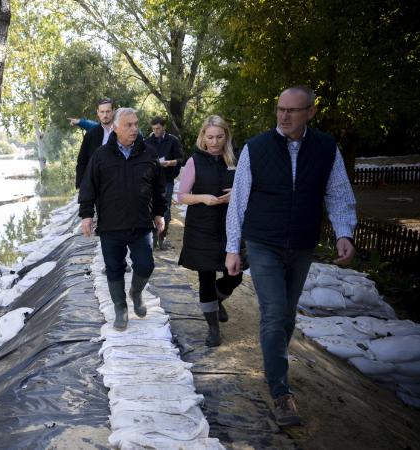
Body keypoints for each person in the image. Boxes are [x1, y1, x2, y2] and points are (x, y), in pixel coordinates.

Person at [225, 86, 357, 427]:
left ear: (310, 112)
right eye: (280, 109)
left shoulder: (326, 148)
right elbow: (238, 202)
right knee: (273, 313)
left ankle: (274, 360)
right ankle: (281, 393)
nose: (284, 116)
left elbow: (338, 193)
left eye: (292, 110)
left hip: (301, 244)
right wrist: (232, 249)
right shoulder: (256, 148)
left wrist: (344, 233)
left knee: (286, 315)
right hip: (263, 243)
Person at [79, 108, 166, 330]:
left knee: (146, 265)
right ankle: (121, 308)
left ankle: (136, 293)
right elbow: (89, 187)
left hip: (140, 224)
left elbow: (159, 189)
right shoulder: (101, 156)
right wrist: (86, 215)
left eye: (136, 124)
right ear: (116, 128)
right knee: (114, 268)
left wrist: (159, 213)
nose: (134, 129)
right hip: (111, 225)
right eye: (128, 125)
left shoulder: (149, 153)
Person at [176, 116, 243, 347]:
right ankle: (213, 329)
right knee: (205, 276)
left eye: (219, 137)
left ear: (226, 136)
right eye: (210, 137)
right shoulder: (195, 161)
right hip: (202, 226)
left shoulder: (237, 159)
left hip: (229, 226)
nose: (214, 142)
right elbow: (181, 196)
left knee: (235, 274)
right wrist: (202, 198)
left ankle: (218, 296)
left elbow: (250, 188)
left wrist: (236, 193)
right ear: (203, 137)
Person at [145, 117, 184, 250]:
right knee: (150, 208)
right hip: (151, 179)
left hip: (167, 179)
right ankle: (153, 237)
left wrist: (170, 163)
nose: (156, 131)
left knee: (165, 208)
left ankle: (162, 237)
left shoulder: (173, 141)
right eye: (153, 129)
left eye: (158, 128)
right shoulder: (147, 142)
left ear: (164, 127)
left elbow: (180, 160)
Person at [75, 99, 114, 189]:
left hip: (117, 182)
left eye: (108, 111)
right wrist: (80, 186)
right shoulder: (91, 134)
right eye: (102, 112)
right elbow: (82, 161)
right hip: (96, 183)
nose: (105, 115)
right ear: (98, 113)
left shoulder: (121, 132)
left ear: (113, 111)